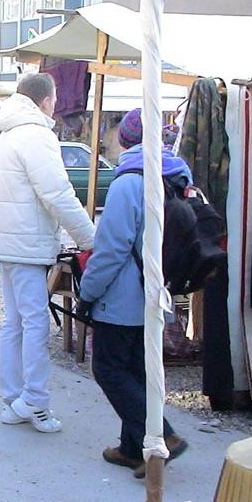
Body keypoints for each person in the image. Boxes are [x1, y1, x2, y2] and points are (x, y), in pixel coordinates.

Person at [78, 109, 189, 476]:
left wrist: (88, 292)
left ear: (125, 139)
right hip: (157, 294)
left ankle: (164, 436)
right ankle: (132, 448)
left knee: (109, 369)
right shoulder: (174, 175)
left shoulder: (129, 183)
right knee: (138, 372)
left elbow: (110, 251)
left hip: (123, 299)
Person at [0, 73, 95, 434]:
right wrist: (88, 236)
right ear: (46, 100)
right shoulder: (36, 135)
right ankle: (34, 399)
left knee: (15, 322)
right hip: (27, 243)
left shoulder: (9, 135)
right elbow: (57, 193)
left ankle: (14, 397)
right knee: (33, 323)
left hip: (11, 242)